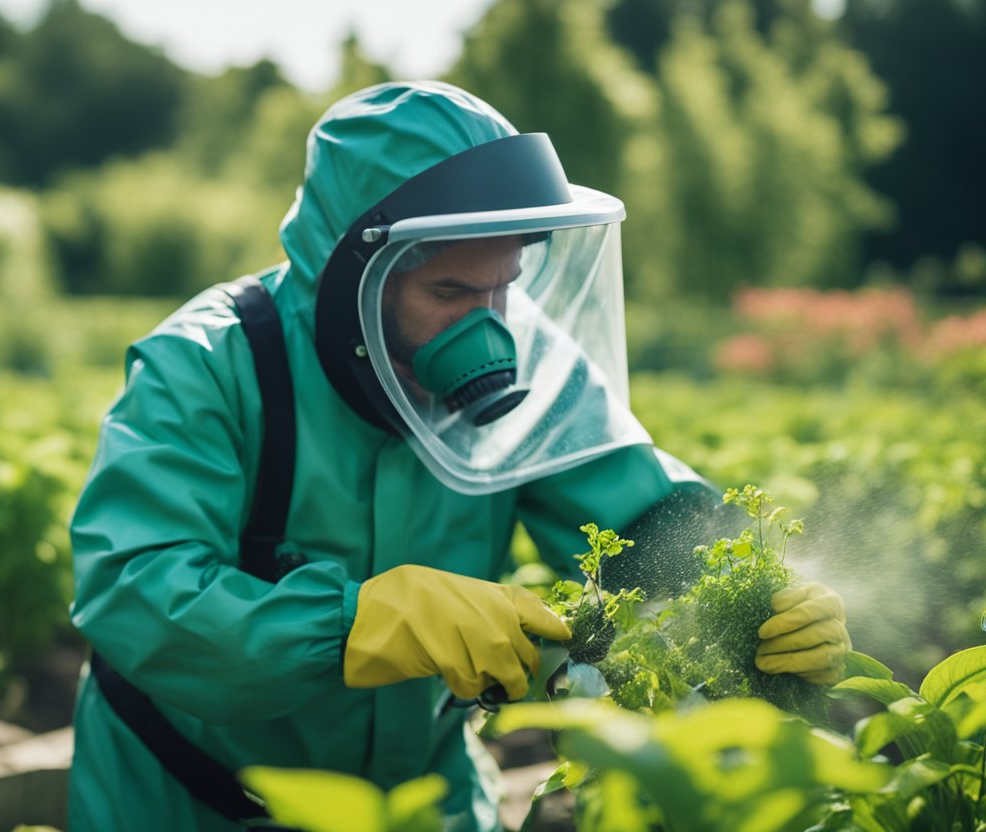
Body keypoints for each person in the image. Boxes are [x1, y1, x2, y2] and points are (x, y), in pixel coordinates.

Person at [66, 81, 851, 831]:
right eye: (449, 294)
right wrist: (357, 621)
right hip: (188, 799)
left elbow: (640, 512)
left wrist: (752, 592)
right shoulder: (207, 366)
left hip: (425, 799)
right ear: (354, 281)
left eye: (502, 288)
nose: (488, 330)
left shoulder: (527, 365)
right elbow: (134, 590)